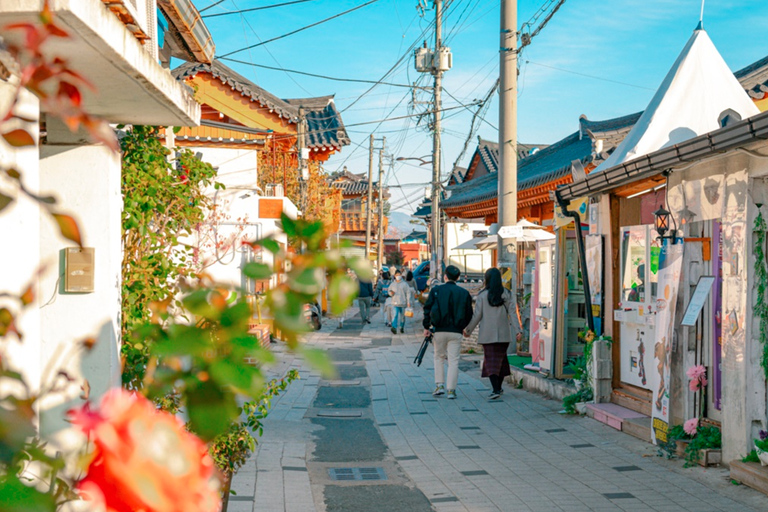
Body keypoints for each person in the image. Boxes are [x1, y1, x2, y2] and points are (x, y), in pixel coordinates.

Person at [423, 265, 473, 399]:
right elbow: (469, 313)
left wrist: (426, 327)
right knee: (454, 360)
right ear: (458, 278)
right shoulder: (463, 293)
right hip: (456, 331)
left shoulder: (436, 290)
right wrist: (464, 327)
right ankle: (451, 390)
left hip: (439, 330)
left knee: (438, 357)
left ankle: (439, 386)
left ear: (445, 277)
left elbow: (427, 309)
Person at [463, 267, 514, 400]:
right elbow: (513, 314)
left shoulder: (482, 295)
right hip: (504, 334)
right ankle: (498, 387)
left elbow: (477, 315)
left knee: (491, 361)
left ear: (487, 279)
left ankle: (495, 389)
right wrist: (518, 331)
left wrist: (468, 330)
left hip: (487, 335)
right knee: (501, 361)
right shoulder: (507, 294)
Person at [388, 270, 410, 334]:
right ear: (394, 276)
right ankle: (394, 327)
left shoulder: (405, 284)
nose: (398, 276)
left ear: (401, 275)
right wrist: (391, 293)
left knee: (402, 317)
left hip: (403, 303)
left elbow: (408, 293)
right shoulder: (392, 284)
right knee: (395, 315)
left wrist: (408, 302)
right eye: (397, 275)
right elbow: (389, 291)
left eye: (399, 275)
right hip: (395, 303)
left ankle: (401, 327)